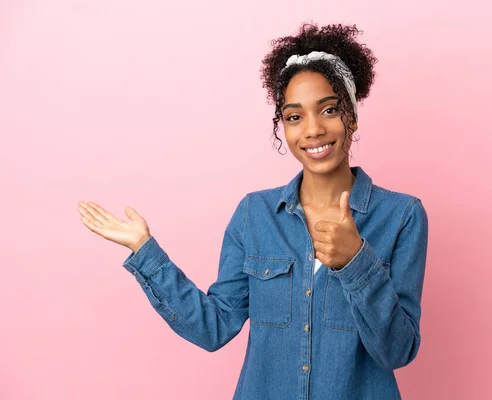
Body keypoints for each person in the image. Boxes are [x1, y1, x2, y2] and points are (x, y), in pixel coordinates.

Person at [77, 23, 428, 400]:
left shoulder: (402, 216)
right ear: (283, 126)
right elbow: (213, 327)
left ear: (352, 117)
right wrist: (145, 251)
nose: (312, 129)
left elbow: (396, 351)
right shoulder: (254, 214)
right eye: (294, 116)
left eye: (328, 109)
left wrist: (355, 262)